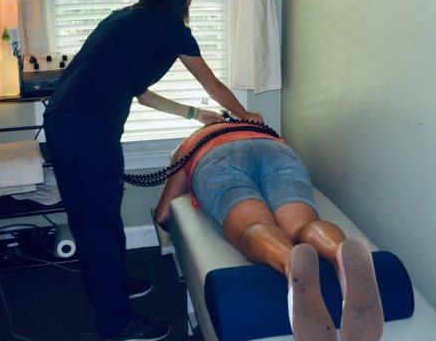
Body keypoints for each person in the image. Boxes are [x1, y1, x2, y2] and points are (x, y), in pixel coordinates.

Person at [43, 0, 262, 341]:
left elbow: (141, 92)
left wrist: (195, 114)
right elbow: (212, 83)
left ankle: (106, 289)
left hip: (62, 122)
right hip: (89, 128)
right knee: (101, 221)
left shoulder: (125, 19)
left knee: (85, 216)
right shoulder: (171, 27)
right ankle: (116, 322)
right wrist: (246, 116)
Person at [154, 121, 384, 341]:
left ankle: (289, 261)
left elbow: (163, 215)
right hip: (276, 152)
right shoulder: (258, 128)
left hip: (217, 158)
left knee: (254, 226)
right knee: (302, 224)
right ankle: (339, 252)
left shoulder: (192, 142)